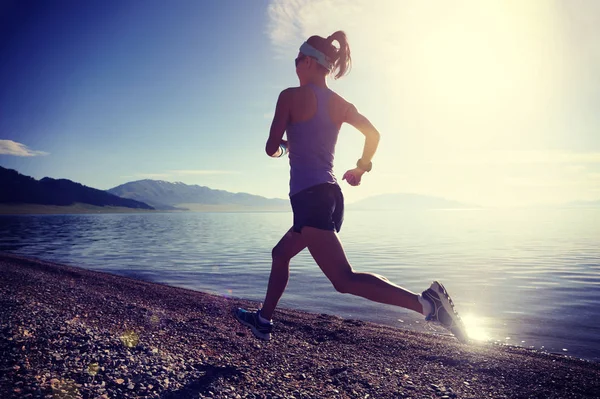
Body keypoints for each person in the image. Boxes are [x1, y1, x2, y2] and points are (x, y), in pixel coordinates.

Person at [234, 31, 468, 343]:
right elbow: (373, 134)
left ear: (308, 61)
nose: (294, 66)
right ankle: (263, 320)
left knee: (343, 280)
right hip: (331, 197)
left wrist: (286, 148)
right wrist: (361, 167)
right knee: (281, 254)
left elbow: (270, 147)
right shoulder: (342, 104)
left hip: (310, 197)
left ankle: (427, 303)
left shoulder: (289, 96)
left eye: (296, 60)